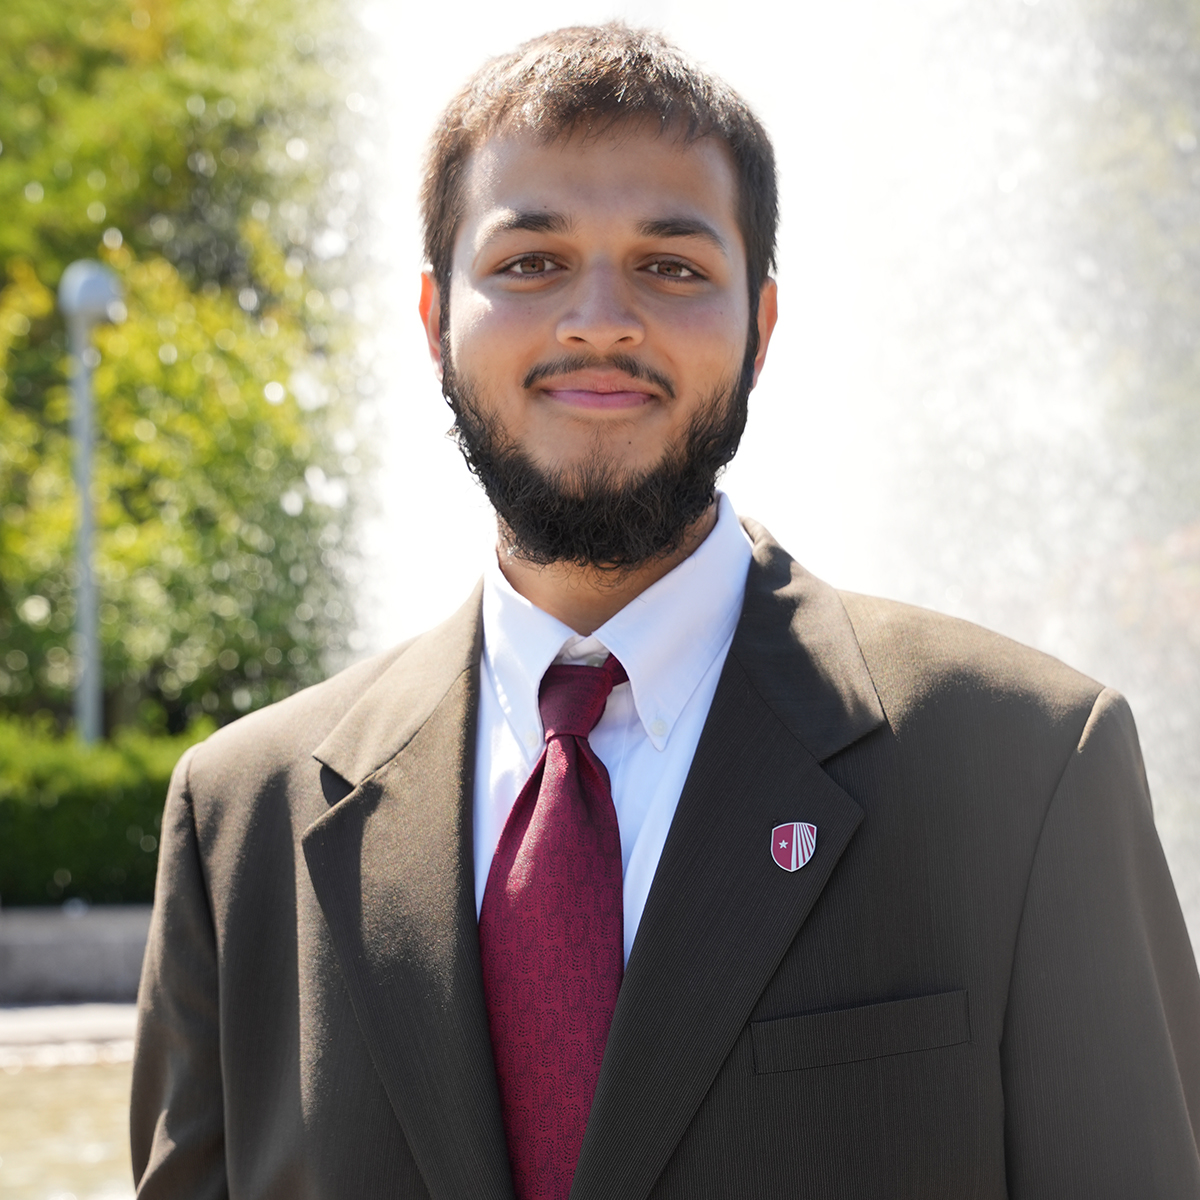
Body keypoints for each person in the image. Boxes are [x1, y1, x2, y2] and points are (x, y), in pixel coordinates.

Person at [131, 24, 1200, 1200]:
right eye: (531, 262)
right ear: (435, 320)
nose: (600, 319)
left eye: (672, 267)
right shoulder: (245, 816)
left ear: (763, 326)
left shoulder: (1028, 765)